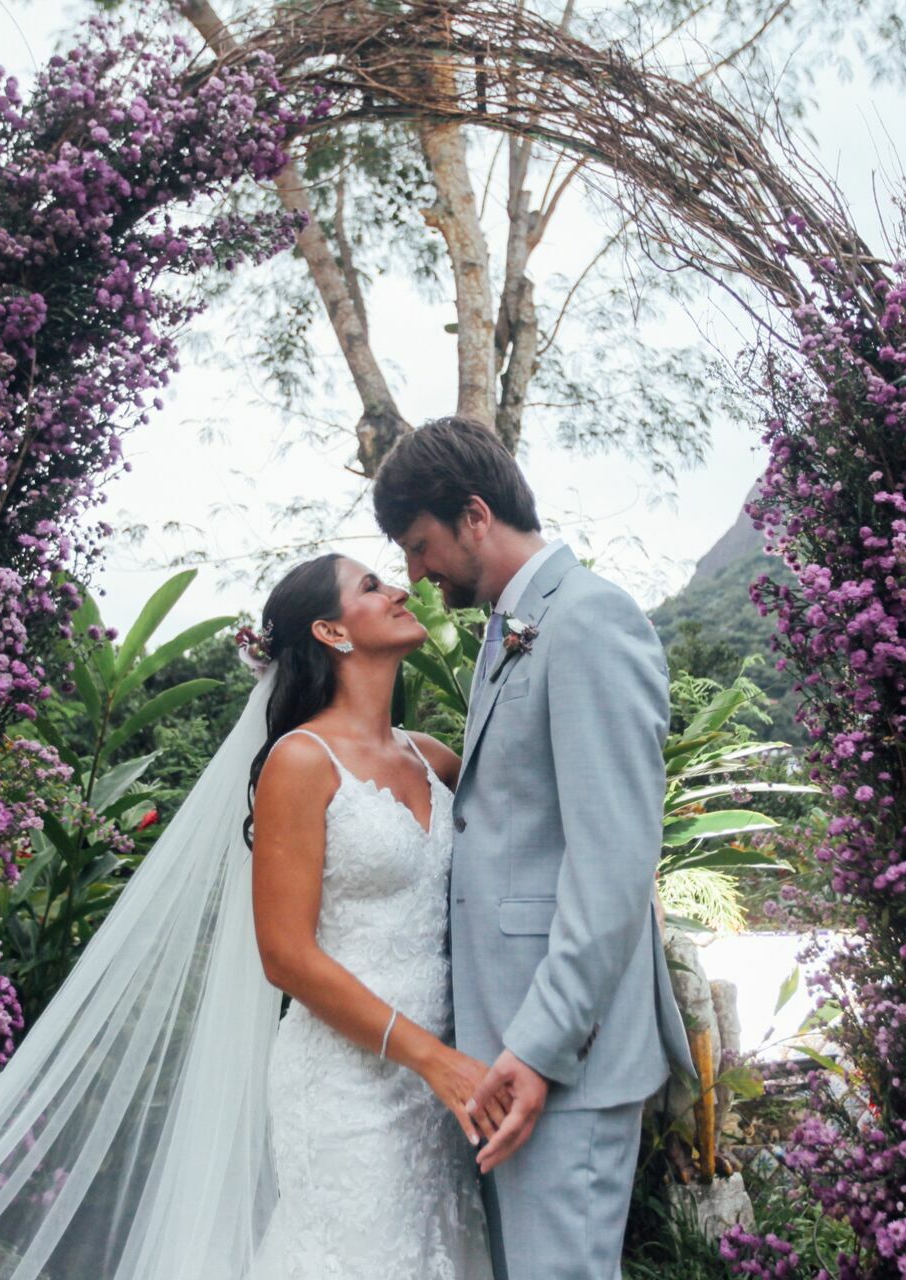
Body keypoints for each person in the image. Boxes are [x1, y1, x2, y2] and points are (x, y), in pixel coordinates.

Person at [0, 554, 498, 1278]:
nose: (397, 588)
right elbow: (286, 957)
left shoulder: (432, 758)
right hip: (354, 1085)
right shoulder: (302, 761)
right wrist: (431, 1057)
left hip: (448, 1083)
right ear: (331, 631)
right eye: (370, 586)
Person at [373, 417, 694, 1280]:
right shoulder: (508, 630)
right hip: (508, 1049)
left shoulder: (590, 620)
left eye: (420, 544)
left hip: (562, 1057)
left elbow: (614, 865)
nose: (415, 575)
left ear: (476, 515)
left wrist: (541, 1047)